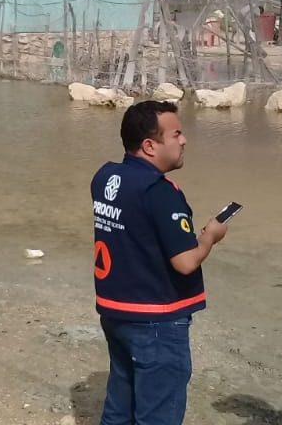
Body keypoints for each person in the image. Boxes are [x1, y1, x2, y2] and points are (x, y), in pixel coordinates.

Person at [90, 100, 229, 425]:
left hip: (115, 310)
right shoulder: (160, 192)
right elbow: (185, 262)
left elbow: (134, 235)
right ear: (150, 146)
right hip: (155, 319)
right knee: (158, 414)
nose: (184, 141)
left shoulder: (106, 178)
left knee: (119, 406)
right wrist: (210, 236)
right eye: (176, 134)